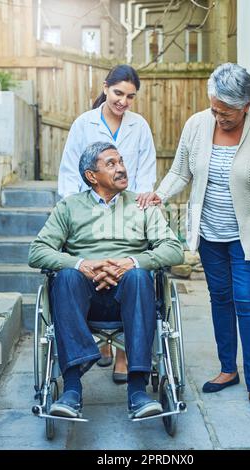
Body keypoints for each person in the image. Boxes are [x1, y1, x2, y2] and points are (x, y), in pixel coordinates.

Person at [137, 63, 250, 419]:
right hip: (209, 234)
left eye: (227, 112)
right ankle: (228, 369)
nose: (218, 117)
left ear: (246, 105)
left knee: (248, 303)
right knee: (220, 299)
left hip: (248, 238)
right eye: (215, 108)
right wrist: (158, 195)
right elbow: (181, 170)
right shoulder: (197, 124)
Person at [28, 141, 184, 419]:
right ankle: (72, 389)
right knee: (65, 277)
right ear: (91, 176)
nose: (121, 168)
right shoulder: (70, 207)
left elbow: (173, 249)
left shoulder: (142, 205)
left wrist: (131, 263)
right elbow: (37, 251)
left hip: (132, 296)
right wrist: (81, 265)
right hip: (82, 299)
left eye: (121, 161)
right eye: (111, 164)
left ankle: (137, 391)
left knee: (138, 276)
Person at [58, 64, 156, 382]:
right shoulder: (84, 124)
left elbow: (145, 173)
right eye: (118, 93)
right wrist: (76, 214)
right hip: (89, 211)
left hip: (127, 211)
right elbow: (69, 174)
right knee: (87, 264)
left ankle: (123, 355)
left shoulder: (139, 126)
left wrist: (139, 210)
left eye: (130, 96)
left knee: (132, 268)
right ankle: (99, 344)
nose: (123, 101)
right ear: (105, 88)